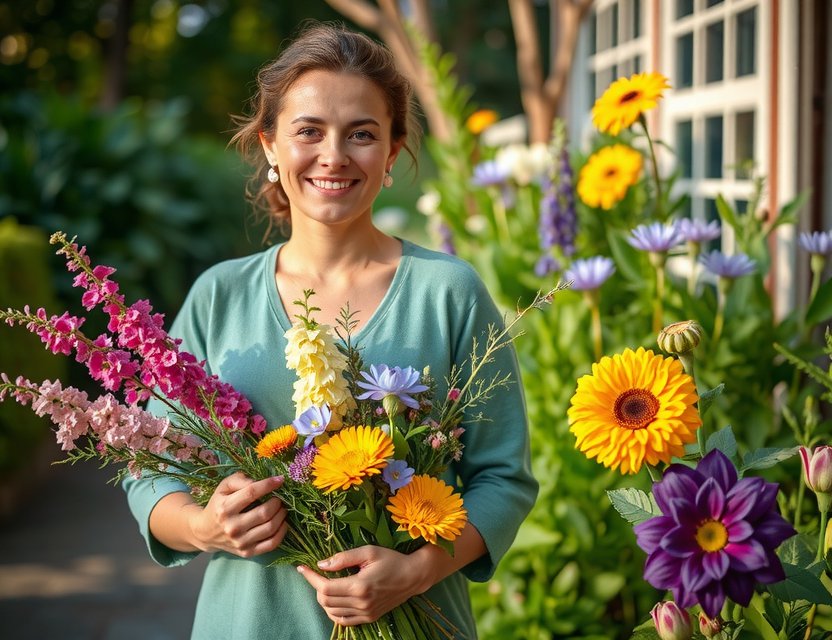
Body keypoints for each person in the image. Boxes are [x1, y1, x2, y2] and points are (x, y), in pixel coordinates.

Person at [123, 22, 537, 639]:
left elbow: (503, 476)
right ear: (269, 145)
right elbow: (148, 466)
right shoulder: (219, 296)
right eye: (308, 131)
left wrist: (418, 570)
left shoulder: (448, 292)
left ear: (393, 152)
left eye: (362, 134)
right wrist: (203, 526)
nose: (334, 155)